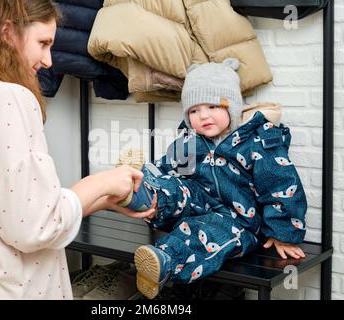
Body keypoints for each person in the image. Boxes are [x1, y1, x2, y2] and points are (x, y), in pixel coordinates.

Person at [0, 0, 154, 300]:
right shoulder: (9, 98)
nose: (48, 61)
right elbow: (38, 225)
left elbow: (10, 209)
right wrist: (104, 182)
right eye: (43, 43)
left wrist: (101, 200)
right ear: (7, 33)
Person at [120, 59, 308, 299]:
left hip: (238, 220)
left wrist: (283, 234)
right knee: (174, 186)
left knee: (204, 230)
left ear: (232, 107)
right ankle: (141, 189)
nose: (203, 116)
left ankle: (165, 260)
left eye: (212, 106)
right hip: (196, 203)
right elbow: (169, 167)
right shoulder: (190, 140)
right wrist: (154, 176)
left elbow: (281, 185)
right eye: (194, 110)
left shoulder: (257, 140)